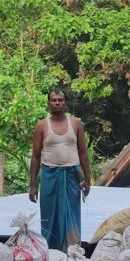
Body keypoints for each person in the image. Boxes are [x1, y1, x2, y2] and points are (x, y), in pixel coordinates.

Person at [29, 88, 92, 251]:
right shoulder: (42, 126)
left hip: (71, 175)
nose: (57, 103)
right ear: (49, 103)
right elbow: (35, 156)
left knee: (71, 214)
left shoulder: (76, 124)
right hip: (50, 175)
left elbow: (83, 153)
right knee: (49, 217)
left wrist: (87, 179)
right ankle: (50, 253)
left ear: (66, 103)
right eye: (54, 100)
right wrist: (33, 185)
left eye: (60, 100)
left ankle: (72, 250)